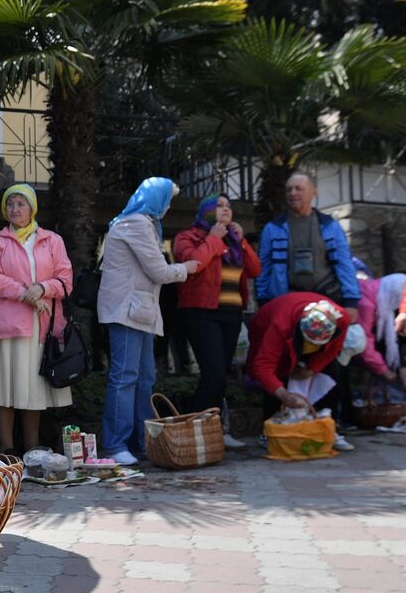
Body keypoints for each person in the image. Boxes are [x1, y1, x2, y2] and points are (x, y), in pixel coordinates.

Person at [97, 178, 201, 466]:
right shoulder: (136, 224)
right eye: (168, 200)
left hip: (138, 312)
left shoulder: (141, 223)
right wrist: (187, 268)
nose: (169, 206)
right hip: (127, 312)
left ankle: (140, 442)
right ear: (156, 199)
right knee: (126, 377)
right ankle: (116, 444)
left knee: (144, 379)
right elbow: (159, 271)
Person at [0, 184, 73, 454]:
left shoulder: (52, 240)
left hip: (40, 325)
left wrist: (43, 288)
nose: (15, 209)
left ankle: (32, 450)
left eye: (21, 204)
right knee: (3, 388)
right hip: (5, 325)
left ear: (32, 208)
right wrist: (24, 293)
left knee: (32, 389)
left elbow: (65, 280)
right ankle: (6, 449)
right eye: (10, 204)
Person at [173, 194, 261, 448]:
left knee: (221, 375)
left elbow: (255, 269)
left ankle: (214, 431)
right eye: (219, 206)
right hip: (200, 312)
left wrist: (242, 239)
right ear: (207, 211)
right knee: (213, 373)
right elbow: (194, 263)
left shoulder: (234, 240)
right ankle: (189, 426)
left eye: (229, 206)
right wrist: (213, 237)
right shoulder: (187, 236)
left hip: (231, 314)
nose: (226, 210)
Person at [247, 295, 351, 443]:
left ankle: (327, 428)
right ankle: (271, 432)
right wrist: (284, 395)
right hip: (269, 328)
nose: (311, 347)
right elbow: (263, 366)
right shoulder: (281, 326)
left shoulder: (341, 319)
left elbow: (333, 349)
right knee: (278, 373)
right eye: (309, 343)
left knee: (331, 372)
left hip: (313, 338)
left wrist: (312, 369)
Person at [257, 172, 361, 318]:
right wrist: (263, 302)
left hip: (328, 301)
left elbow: (345, 265)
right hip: (286, 304)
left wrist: (351, 303)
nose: (293, 193)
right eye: (289, 189)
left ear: (314, 192)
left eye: (299, 188)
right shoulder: (273, 229)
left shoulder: (331, 226)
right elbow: (263, 268)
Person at [354, 266, 406, 386]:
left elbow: (397, 338)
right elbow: (362, 343)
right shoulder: (365, 303)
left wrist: (402, 368)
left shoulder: (383, 302)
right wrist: (385, 371)